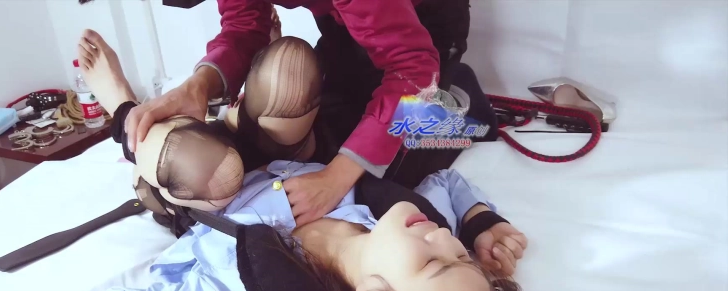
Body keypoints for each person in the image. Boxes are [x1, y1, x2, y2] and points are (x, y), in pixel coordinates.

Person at [76, 32, 546, 291]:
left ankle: (123, 111)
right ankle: (242, 98)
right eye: (460, 255)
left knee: (197, 162)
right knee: (292, 63)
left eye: (433, 262)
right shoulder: (407, 223)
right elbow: (445, 182)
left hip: (204, 188)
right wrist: (482, 221)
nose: (442, 237)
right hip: (284, 159)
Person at [80, 0, 493, 228]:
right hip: (347, 29)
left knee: (380, 170)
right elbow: (243, 27)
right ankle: (144, 121)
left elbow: (412, 68)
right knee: (206, 166)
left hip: (424, 37)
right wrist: (197, 86)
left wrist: (337, 177)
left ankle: (460, 94)